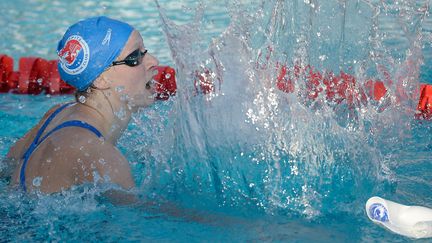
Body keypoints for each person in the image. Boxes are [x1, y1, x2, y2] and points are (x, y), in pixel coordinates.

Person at [4, 16, 159, 194]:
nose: (153, 61)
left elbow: (6, 170)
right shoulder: (101, 157)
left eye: (144, 51)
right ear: (100, 79)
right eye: (134, 57)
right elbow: (140, 216)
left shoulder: (58, 114)